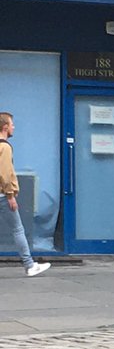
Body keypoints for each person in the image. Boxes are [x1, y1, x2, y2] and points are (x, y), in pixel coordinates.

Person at [0, 112, 50, 278]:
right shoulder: (5, 147)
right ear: (5, 127)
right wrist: (10, 195)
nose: (14, 127)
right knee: (17, 229)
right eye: (12, 124)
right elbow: (6, 173)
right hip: (2, 196)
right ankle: (29, 265)